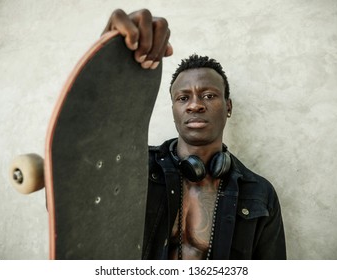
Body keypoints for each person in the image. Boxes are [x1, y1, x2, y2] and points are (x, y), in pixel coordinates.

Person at [103, 9, 286, 260]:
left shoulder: (260, 193)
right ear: (174, 109)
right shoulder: (134, 167)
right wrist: (108, 63)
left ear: (228, 107)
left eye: (209, 96)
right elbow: (73, 204)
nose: (195, 105)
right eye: (183, 97)